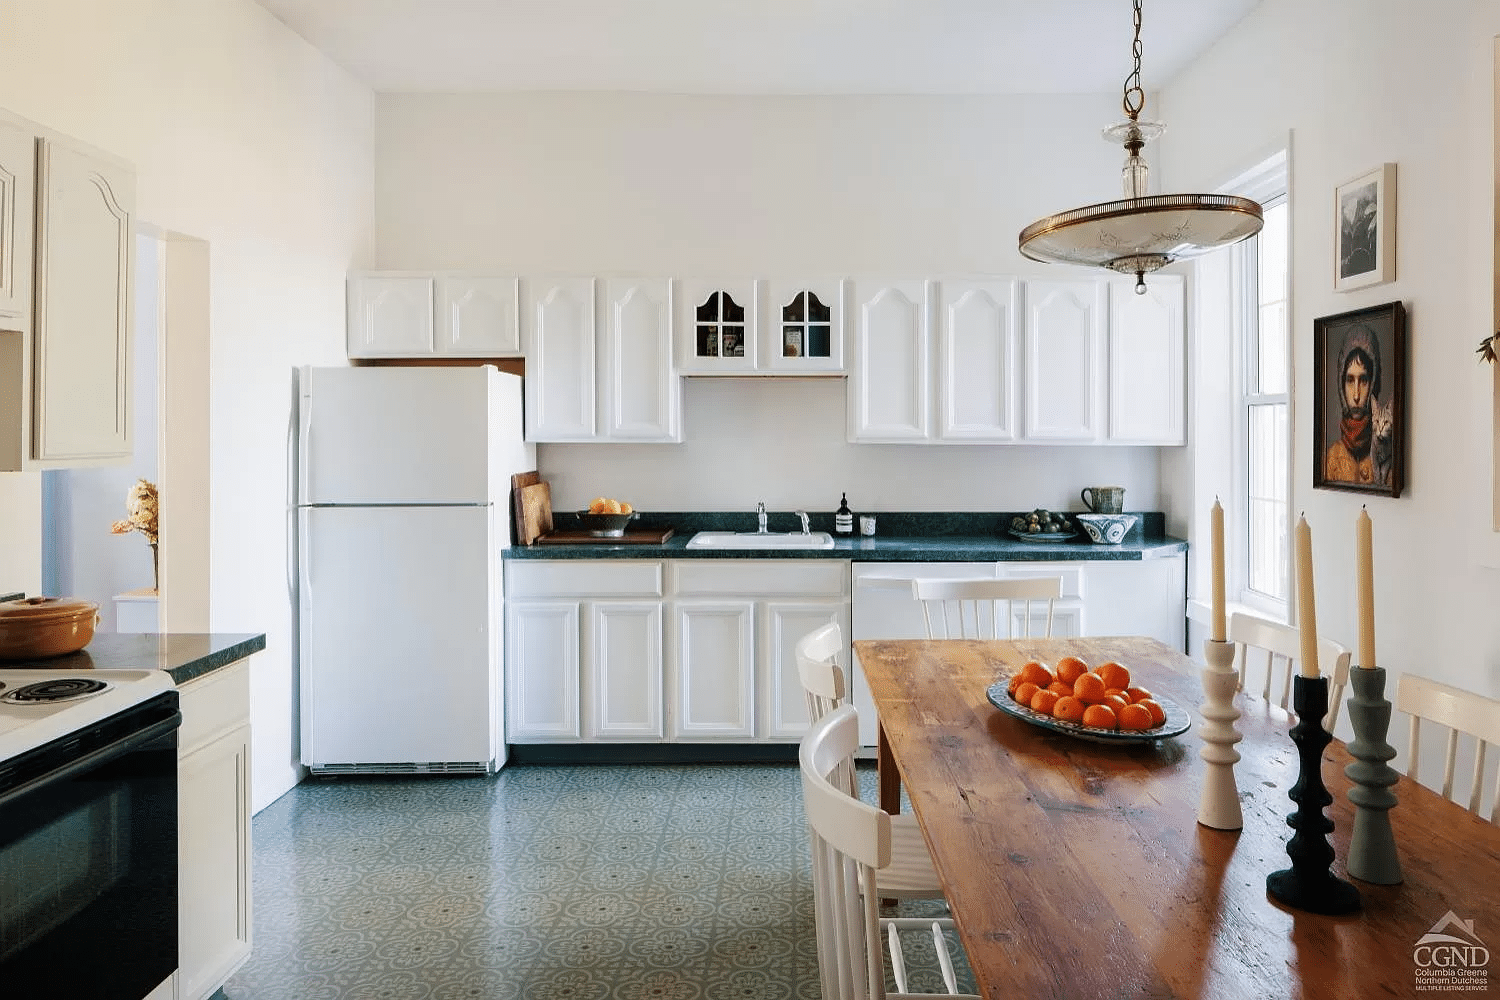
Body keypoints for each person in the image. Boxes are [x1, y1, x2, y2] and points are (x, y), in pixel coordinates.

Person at [1324, 323, 1382, 485]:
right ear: (1341, 385)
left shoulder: (1385, 457)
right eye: (1350, 380)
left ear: (1373, 384)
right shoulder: (1332, 458)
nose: (1356, 395)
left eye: (1363, 380)